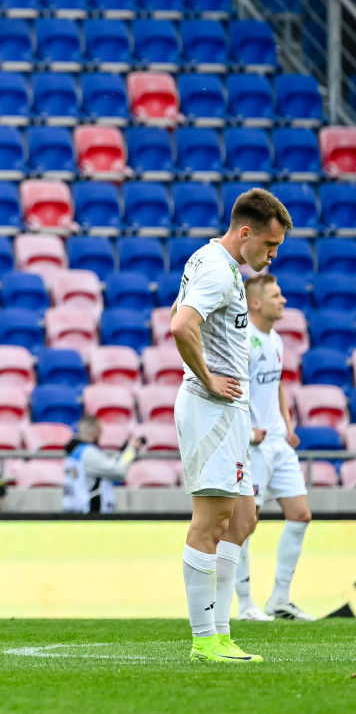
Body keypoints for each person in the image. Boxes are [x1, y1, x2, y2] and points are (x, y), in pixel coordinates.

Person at [170, 188, 291, 664]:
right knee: (212, 522)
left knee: (243, 520)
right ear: (246, 233)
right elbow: (181, 325)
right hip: (211, 409)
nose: (272, 254)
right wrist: (207, 377)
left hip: (230, 411)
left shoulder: (212, 261)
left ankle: (220, 632)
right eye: (269, 244)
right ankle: (206, 639)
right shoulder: (220, 271)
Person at [234, 274, 315, 622]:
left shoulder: (277, 340)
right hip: (254, 445)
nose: (283, 300)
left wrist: (288, 423)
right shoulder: (244, 341)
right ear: (256, 303)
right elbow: (232, 390)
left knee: (300, 515)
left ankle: (279, 600)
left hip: (280, 443)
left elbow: (278, 384)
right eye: (276, 295)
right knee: (245, 523)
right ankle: (245, 603)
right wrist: (247, 431)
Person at [62, 415, 141, 514]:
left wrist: (121, 453)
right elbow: (119, 471)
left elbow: (104, 466)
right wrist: (131, 451)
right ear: (94, 433)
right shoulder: (89, 452)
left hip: (73, 512)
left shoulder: (73, 453)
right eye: (100, 432)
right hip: (90, 516)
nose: (100, 436)